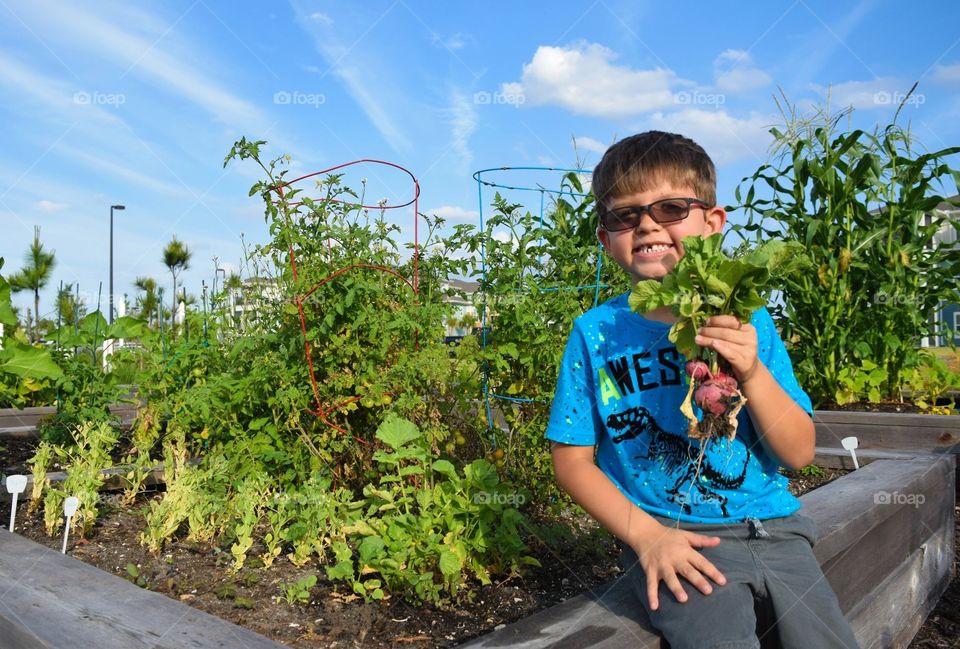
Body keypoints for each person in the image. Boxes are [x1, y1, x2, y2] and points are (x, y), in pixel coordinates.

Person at [546, 131, 859, 649]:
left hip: (777, 530)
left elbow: (800, 453)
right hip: (675, 538)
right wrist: (646, 538)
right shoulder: (597, 333)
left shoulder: (745, 318)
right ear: (606, 238)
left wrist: (753, 372)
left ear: (712, 223)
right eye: (625, 216)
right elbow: (572, 460)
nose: (646, 223)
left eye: (670, 208)